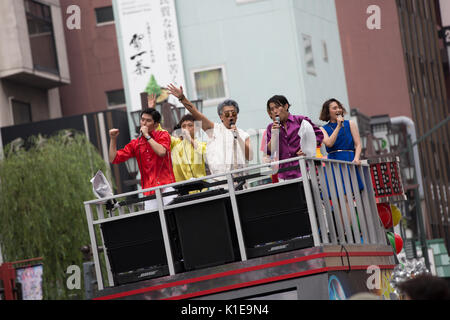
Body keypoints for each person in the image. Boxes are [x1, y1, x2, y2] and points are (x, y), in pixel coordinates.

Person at [167, 84, 253, 186]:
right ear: (221, 116)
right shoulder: (214, 130)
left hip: (241, 183)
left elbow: (250, 156)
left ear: (237, 116)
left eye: (233, 113)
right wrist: (182, 98)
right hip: (222, 184)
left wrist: (237, 136)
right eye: (227, 114)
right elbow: (196, 113)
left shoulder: (244, 135)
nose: (230, 116)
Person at [109, 108, 176, 210]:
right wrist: (113, 139)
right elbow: (113, 159)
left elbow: (161, 152)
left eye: (148, 120)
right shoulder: (136, 143)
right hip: (150, 189)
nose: (144, 123)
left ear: (156, 124)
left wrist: (147, 136)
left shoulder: (163, 135)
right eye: (142, 120)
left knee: (174, 213)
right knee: (153, 219)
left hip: (167, 185)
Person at [265, 95, 324, 180]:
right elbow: (270, 151)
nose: (275, 111)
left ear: (286, 106)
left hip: (305, 170)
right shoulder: (270, 128)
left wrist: (307, 148)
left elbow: (319, 135)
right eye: (272, 109)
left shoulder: (301, 120)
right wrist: (274, 134)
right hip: (284, 175)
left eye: (277, 107)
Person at [170, 114, 207, 182]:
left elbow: (203, 151)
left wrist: (189, 138)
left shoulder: (202, 143)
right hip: (182, 188)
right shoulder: (176, 143)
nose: (186, 128)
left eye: (190, 125)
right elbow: (162, 134)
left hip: (201, 187)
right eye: (183, 126)